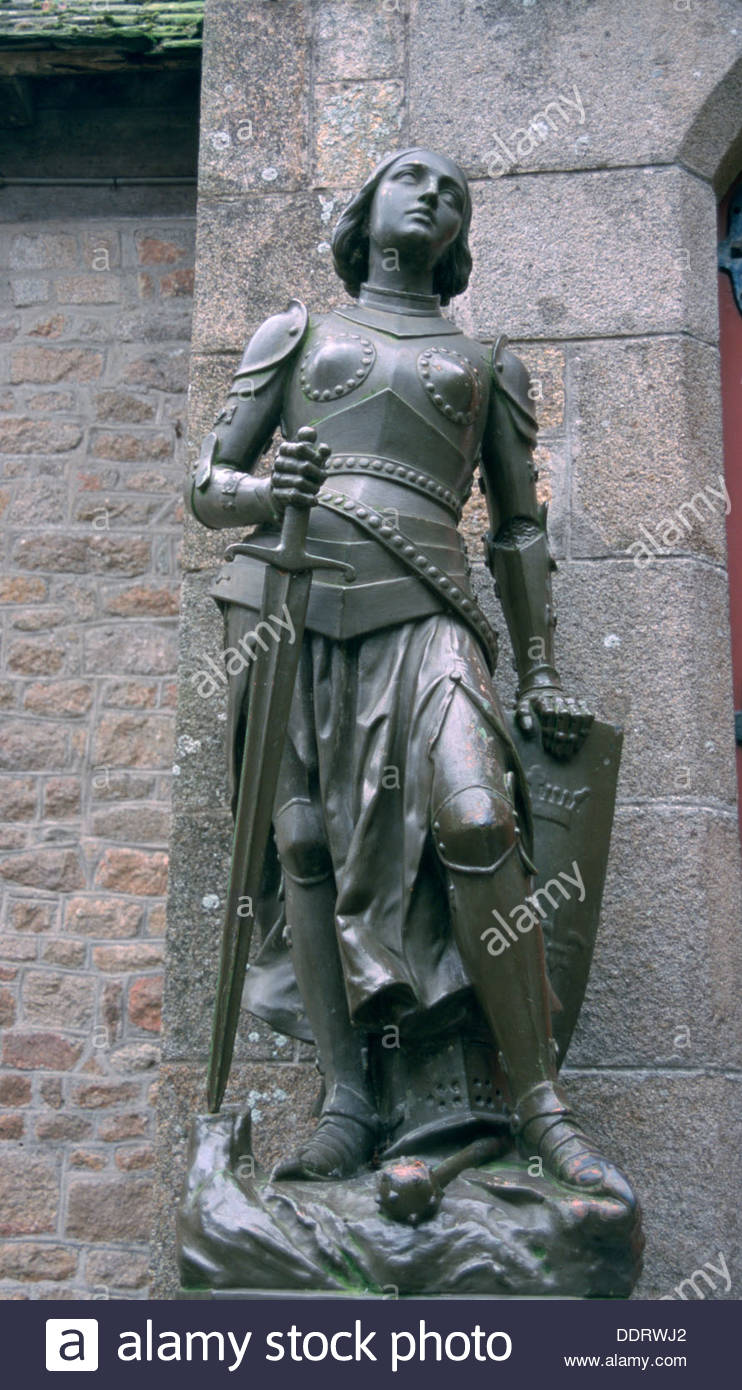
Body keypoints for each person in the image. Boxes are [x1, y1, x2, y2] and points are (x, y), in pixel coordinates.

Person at [187, 148, 632, 1204]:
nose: (435, 196)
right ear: (367, 206)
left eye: (455, 195)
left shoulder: (487, 367)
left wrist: (536, 671)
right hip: (284, 597)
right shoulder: (294, 334)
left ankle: (539, 1105)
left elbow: (518, 532)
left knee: (477, 819)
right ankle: (346, 1102)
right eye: (414, 179)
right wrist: (263, 488)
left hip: (426, 606)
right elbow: (204, 485)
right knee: (300, 840)